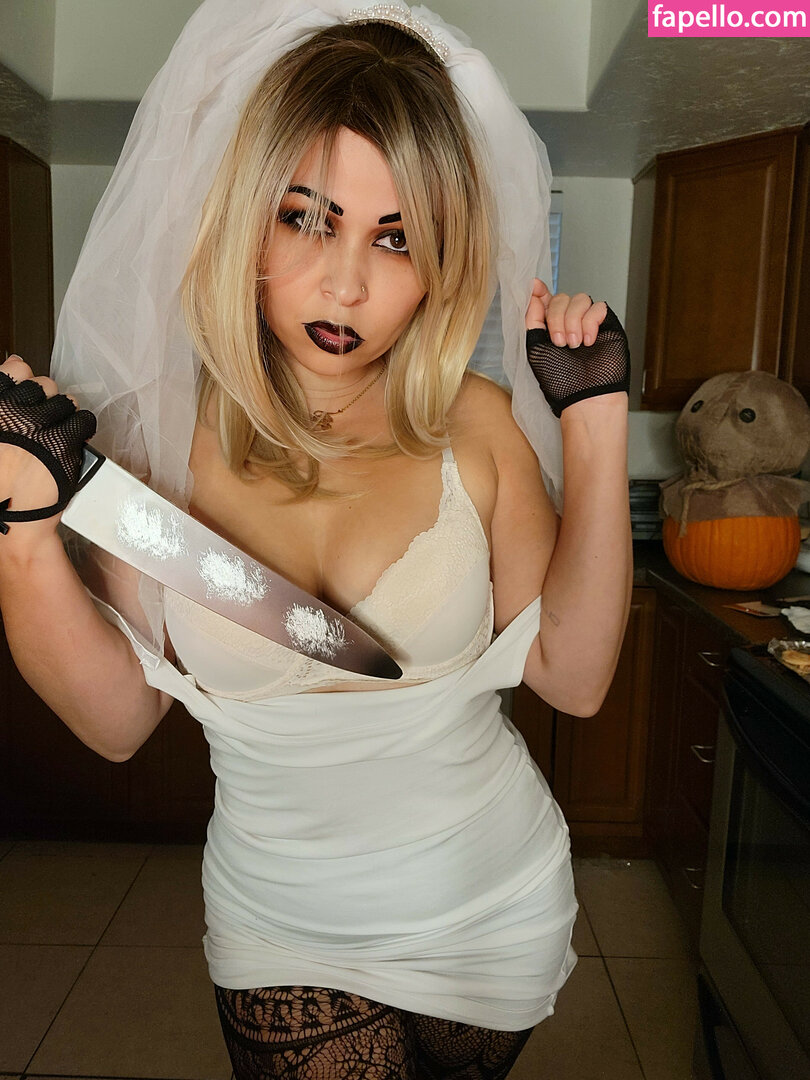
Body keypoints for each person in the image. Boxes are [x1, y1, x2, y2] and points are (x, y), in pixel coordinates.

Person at [0, 2, 632, 1077]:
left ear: (440, 262)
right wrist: (21, 534)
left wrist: (597, 426)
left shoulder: (477, 425)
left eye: (396, 238)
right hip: (285, 928)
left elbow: (573, 680)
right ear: (245, 218)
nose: (347, 283)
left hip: (495, 901)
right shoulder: (156, 443)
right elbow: (116, 724)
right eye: (306, 218)